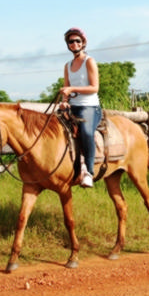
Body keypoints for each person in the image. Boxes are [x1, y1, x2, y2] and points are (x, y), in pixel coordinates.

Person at [59, 27, 102, 188]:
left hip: (89, 107)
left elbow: (94, 87)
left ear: (83, 43)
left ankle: (89, 172)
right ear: (68, 44)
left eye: (77, 41)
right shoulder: (67, 65)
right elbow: (66, 87)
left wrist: (72, 90)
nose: (74, 43)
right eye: (71, 41)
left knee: (85, 131)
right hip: (73, 106)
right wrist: (65, 100)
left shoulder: (89, 61)